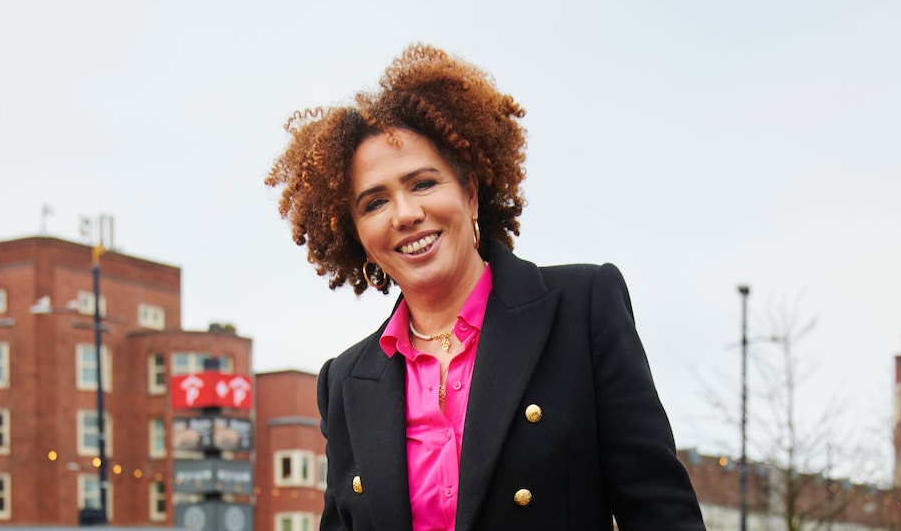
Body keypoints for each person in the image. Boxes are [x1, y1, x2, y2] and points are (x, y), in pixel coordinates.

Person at [266, 44, 705, 530]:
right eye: (374, 203)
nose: (405, 214)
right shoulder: (345, 381)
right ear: (359, 239)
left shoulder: (582, 308)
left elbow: (663, 514)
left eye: (423, 183)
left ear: (470, 193)